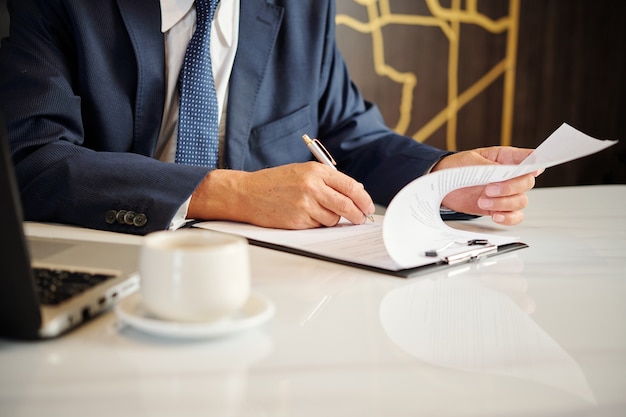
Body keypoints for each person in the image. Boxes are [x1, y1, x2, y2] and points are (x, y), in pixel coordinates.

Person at [0, 0, 539, 236]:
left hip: (265, 292)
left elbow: (344, 131)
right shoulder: (56, 4)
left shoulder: (302, 6)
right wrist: (228, 193)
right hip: (106, 268)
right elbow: (31, 159)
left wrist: (438, 178)